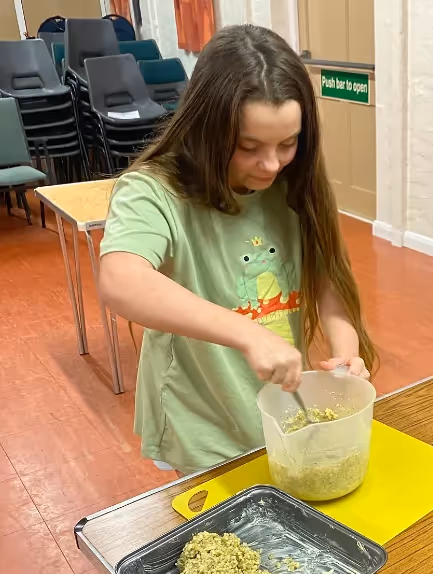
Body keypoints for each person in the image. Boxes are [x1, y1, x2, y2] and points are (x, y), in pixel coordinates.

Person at [100, 24, 376, 480]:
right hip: (201, 422)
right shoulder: (153, 190)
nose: (271, 164)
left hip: (278, 415)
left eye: (288, 144)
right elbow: (121, 280)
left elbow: (330, 287)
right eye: (250, 148)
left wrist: (345, 357)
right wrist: (248, 334)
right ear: (208, 130)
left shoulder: (294, 186)